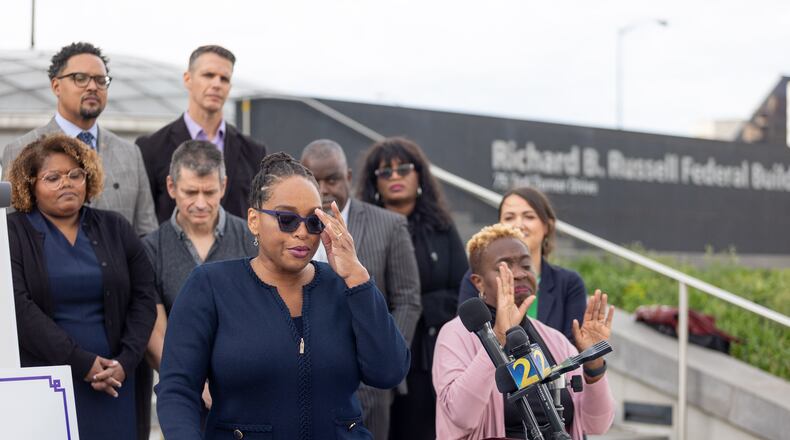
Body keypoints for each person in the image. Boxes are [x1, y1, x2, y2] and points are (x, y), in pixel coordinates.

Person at [156, 152, 410, 439]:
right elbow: (177, 389)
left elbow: (389, 371)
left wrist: (357, 277)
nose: (302, 232)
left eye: (314, 222)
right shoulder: (210, 286)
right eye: (287, 219)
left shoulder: (345, 287)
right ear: (254, 220)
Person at [6, 134, 157, 440]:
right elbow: (18, 308)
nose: (67, 183)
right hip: (49, 380)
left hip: (116, 382)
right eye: (53, 177)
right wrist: (82, 363)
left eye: (76, 174)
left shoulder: (116, 227)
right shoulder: (12, 233)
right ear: (30, 184)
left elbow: (144, 298)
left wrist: (125, 362)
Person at [433, 224, 615, 439]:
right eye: (504, 267)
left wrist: (594, 365)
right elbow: (460, 415)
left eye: (526, 265)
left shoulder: (554, 339)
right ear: (478, 282)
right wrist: (497, 337)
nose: (519, 273)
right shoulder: (455, 335)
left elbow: (597, 425)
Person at [301, 139, 422, 440]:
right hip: (301, 379)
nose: (324, 188)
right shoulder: (291, 227)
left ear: (350, 178)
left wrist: (383, 352)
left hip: (370, 383)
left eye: (332, 178)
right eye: (314, 180)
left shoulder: (391, 225)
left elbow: (408, 300)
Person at [357, 137, 468, 440]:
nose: (395, 177)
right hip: (378, 351)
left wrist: (413, 305)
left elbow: (464, 290)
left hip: (429, 354)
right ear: (373, 182)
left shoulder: (442, 228)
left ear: (419, 175)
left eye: (403, 169)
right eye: (385, 172)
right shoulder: (362, 230)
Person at [142, 140, 257, 414]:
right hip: (183, 392)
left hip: (248, 388)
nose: (201, 203)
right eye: (190, 192)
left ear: (224, 186)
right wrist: (192, 382)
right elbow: (157, 332)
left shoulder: (252, 240)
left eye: (210, 192)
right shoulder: (152, 248)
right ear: (171, 187)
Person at [1, 42, 157, 236]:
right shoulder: (21, 150)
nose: (93, 87)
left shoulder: (130, 153)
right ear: (56, 86)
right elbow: (10, 233)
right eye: (80, 78)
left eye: (101, 80)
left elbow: (147, 233)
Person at [136, 45, 267, 223]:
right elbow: (144, 219)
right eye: (208, 75)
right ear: (188, 79)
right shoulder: (150, 148)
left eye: (224, 79)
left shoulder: (254, 152)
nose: (216, 84)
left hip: (239, 250)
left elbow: (259, 217)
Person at [458, 187, 586, 341]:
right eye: (509, 217)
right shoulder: (479, 277)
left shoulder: (569, 283)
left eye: (529, 216)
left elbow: (573, 351)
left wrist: (594, 358)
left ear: (547, 225)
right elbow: (467, 337)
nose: (518, 224)